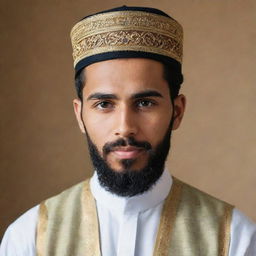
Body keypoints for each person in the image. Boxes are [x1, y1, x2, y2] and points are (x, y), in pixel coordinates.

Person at [0, 5, 255, 256]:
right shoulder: (29, 238)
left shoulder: (235, 239)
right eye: (104, 104)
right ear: (80, 115)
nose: (124, 128)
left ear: (177, 112)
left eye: (145, 103)